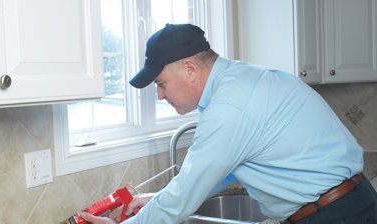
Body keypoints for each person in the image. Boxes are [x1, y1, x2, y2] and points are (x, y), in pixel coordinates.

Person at [80, 24, 377, 224]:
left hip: (336, 214)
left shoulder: (228, 106)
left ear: (190, 69)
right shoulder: (239, 80)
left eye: (161, 84)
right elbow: (220, 172)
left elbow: (181, 201)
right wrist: (154, 197)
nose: (159, 95)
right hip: (347, 204)